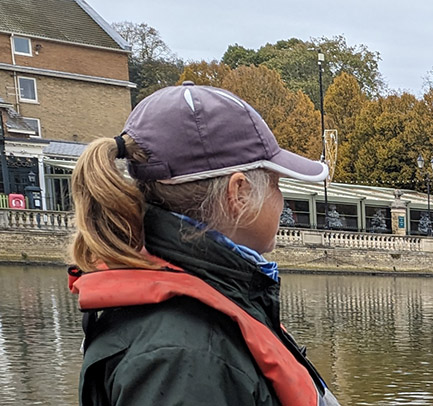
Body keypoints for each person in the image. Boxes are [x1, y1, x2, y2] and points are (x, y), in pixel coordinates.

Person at [68, 81, 341, 406]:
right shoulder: (184, 356)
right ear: (238, 193)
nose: (282, 201)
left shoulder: (216, 303)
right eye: (276, 184)